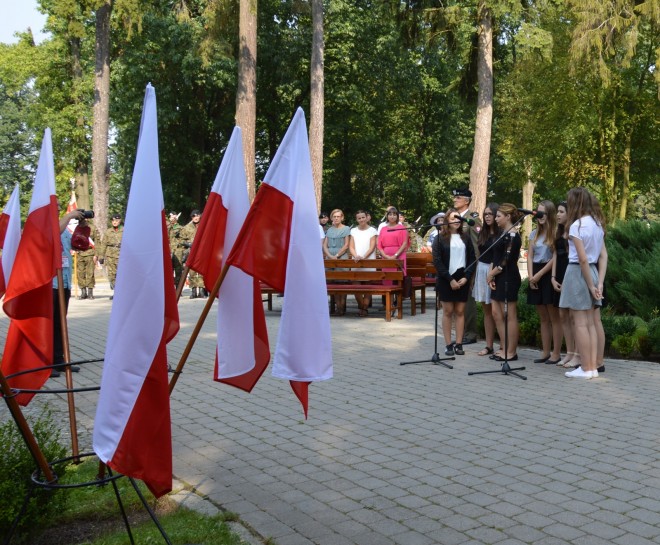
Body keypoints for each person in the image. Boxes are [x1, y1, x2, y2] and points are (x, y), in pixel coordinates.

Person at [560, 187, 606, 379]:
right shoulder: (597, 224)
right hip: (593, 272)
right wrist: (599, 282)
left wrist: (589, 285)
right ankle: (593, 367)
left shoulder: (576, 226)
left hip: (578, 273)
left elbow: (582, 259)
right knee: (591, 323)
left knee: (580, 324)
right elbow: (603, 256)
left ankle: (586, 368)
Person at [433, 208, 475, 356]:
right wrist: (450, 279)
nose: (457, 221)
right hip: (446, 279)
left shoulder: (466, 238)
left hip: (462, 277)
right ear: (447, 221)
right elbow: (437, 261)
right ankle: (448, 344)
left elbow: (472, 259)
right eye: (453, 218)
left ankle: (459, 343)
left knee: (460, 311)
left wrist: (466, 277)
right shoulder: (440, 238)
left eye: (458, 218)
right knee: (448, 311)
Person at [51, 208, 86, 378]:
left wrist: (83, 228)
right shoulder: (45, 225)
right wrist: (70, 215)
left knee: (60, 323)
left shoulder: (63, 227)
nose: (56, 209)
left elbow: (75, 245)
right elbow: (52, 233)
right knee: (50, 324)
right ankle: (46, 363)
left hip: (64, 281)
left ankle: (59, 360)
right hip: (50, 283)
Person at [526, 200, 562, 365]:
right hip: (535, 274)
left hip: (548, 274)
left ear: (550, 215)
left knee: (553, 316)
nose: (539, 216)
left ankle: (556, 353)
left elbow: (555, 257)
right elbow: (530, 256)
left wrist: (539, 275)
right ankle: (545, 351)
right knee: (543, 317)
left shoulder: (555, 233)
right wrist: (531, 276)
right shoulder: (534, 234)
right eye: (538, 213)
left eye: (543, 213)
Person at [487, 203, 522, 361]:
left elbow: (506, 260)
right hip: (497, 276)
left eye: (499, 216)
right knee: (496, 313)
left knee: (509, 314)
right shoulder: (501, 233)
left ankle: (511, 351)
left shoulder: (513, 235)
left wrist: (492, 274)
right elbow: (495, 256)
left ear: (508, 217)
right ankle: (503, 346)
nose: (496, 218)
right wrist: (491, 274)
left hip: (508, 277)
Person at [551, 201, 580, 369]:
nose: (558, 215)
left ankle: (577, 353)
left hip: (571, 274)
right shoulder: (558, 232)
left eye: (561, 211)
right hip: (559, 275)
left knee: (573, 316)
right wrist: (553, 277)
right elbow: (555, 255)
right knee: (562, 315)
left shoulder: (574, 232)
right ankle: (569, 352)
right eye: (558, 212)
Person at [451, 187, 481, 344]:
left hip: (467, 266)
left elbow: (476, 246)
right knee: (456, 299)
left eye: (458, 198)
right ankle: (460, 332)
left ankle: (470, 333)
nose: (455, 199)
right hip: (454, 264)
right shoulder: (453, 217)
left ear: (466, 201)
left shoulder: (472, 219)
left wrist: (471, 270)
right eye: (455, 198)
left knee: (467, 299)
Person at [473, 203, 500, 357]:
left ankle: (503, 345)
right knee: (486, 311)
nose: (488, 217)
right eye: (486, 214)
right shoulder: (482, 232)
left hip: (495, 270)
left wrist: (493, 272)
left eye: (491, 214)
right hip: (482, 269)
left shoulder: (501, 233)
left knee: (497, 311)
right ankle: (489, 345)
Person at [377, 206, 409, 317]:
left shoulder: (402, 228)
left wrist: (395, 255)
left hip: (398, 256)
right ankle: (388, 305)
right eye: (390, 214)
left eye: (394, 214)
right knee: (387, 280)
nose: (392, 216)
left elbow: (405, 243)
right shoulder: (383, 229)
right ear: (387, 216)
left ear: (397, 216)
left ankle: (397, 304)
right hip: (385, 256)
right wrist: (384, 255)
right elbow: (379, 244)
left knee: (397, 280)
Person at [349, 209, 378, 316]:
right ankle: (361, 306)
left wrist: (364, 257)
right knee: (356, 287)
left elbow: (372, 246)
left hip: (368, 260)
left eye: (363, 217)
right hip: (356, 260)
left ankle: (365, 308)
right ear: (356, 219)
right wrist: (356, 256)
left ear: (366, 218)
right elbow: (351, 246)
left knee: (367, 286)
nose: (361, 219)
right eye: (359, 218)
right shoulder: (353, 231)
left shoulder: (372, 231)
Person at [323, 208, 351, 315]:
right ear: (331, 218)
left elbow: (346, 245)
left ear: (342, 217)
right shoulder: (329, 230)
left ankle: (341, 307)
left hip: (341, 257)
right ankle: (333, 307)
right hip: (329, 257)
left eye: (338, 216)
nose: (336, 218)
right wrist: (330, 255)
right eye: (334, 216)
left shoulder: (346, 229)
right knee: (331, 282)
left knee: (342, 282)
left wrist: (337, 255)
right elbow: (325, 245)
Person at [181, 209, 207, 298]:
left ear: (200, 216)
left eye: (197, 215)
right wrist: (188, 244)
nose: (195, 218)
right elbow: (180, 239)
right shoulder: (187, 228)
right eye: (193, 216)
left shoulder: (205, 226)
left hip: (202, 251)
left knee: (201, 271)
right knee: (191, 271)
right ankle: (193, 291)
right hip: (191, 251)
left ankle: (201, 290)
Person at [98, 213, 123, 300]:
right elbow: (103, 244)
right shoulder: (108, 232)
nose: (114, 222)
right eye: (113, 220)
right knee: (112, 275)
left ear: (120, 221)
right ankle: (115, 292)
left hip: (121, 255)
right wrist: (101, 256)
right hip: (110, 256)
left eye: (116, 220)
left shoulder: (124, 230)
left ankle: (121, 292)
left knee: (121, 275)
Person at [74, 217, 101, 300]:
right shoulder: (77, 228)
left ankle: (90, 292)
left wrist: (96, 255)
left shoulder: (92, 228)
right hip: (80, 253)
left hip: (90, 253)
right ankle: (83, 292)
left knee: (90, 273)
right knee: (80, 273)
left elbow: (97, 242)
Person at [167, 211, 185, 288]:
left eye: (174, 217)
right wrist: (171, 223)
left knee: (178, 270)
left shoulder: (181, 228)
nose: (173, 219)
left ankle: (178, 287)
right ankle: (170, 287)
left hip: (178, 251)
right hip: (169, 251)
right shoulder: (167, 227)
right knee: (169, 270)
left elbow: (184, 238)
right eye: (171, 217)